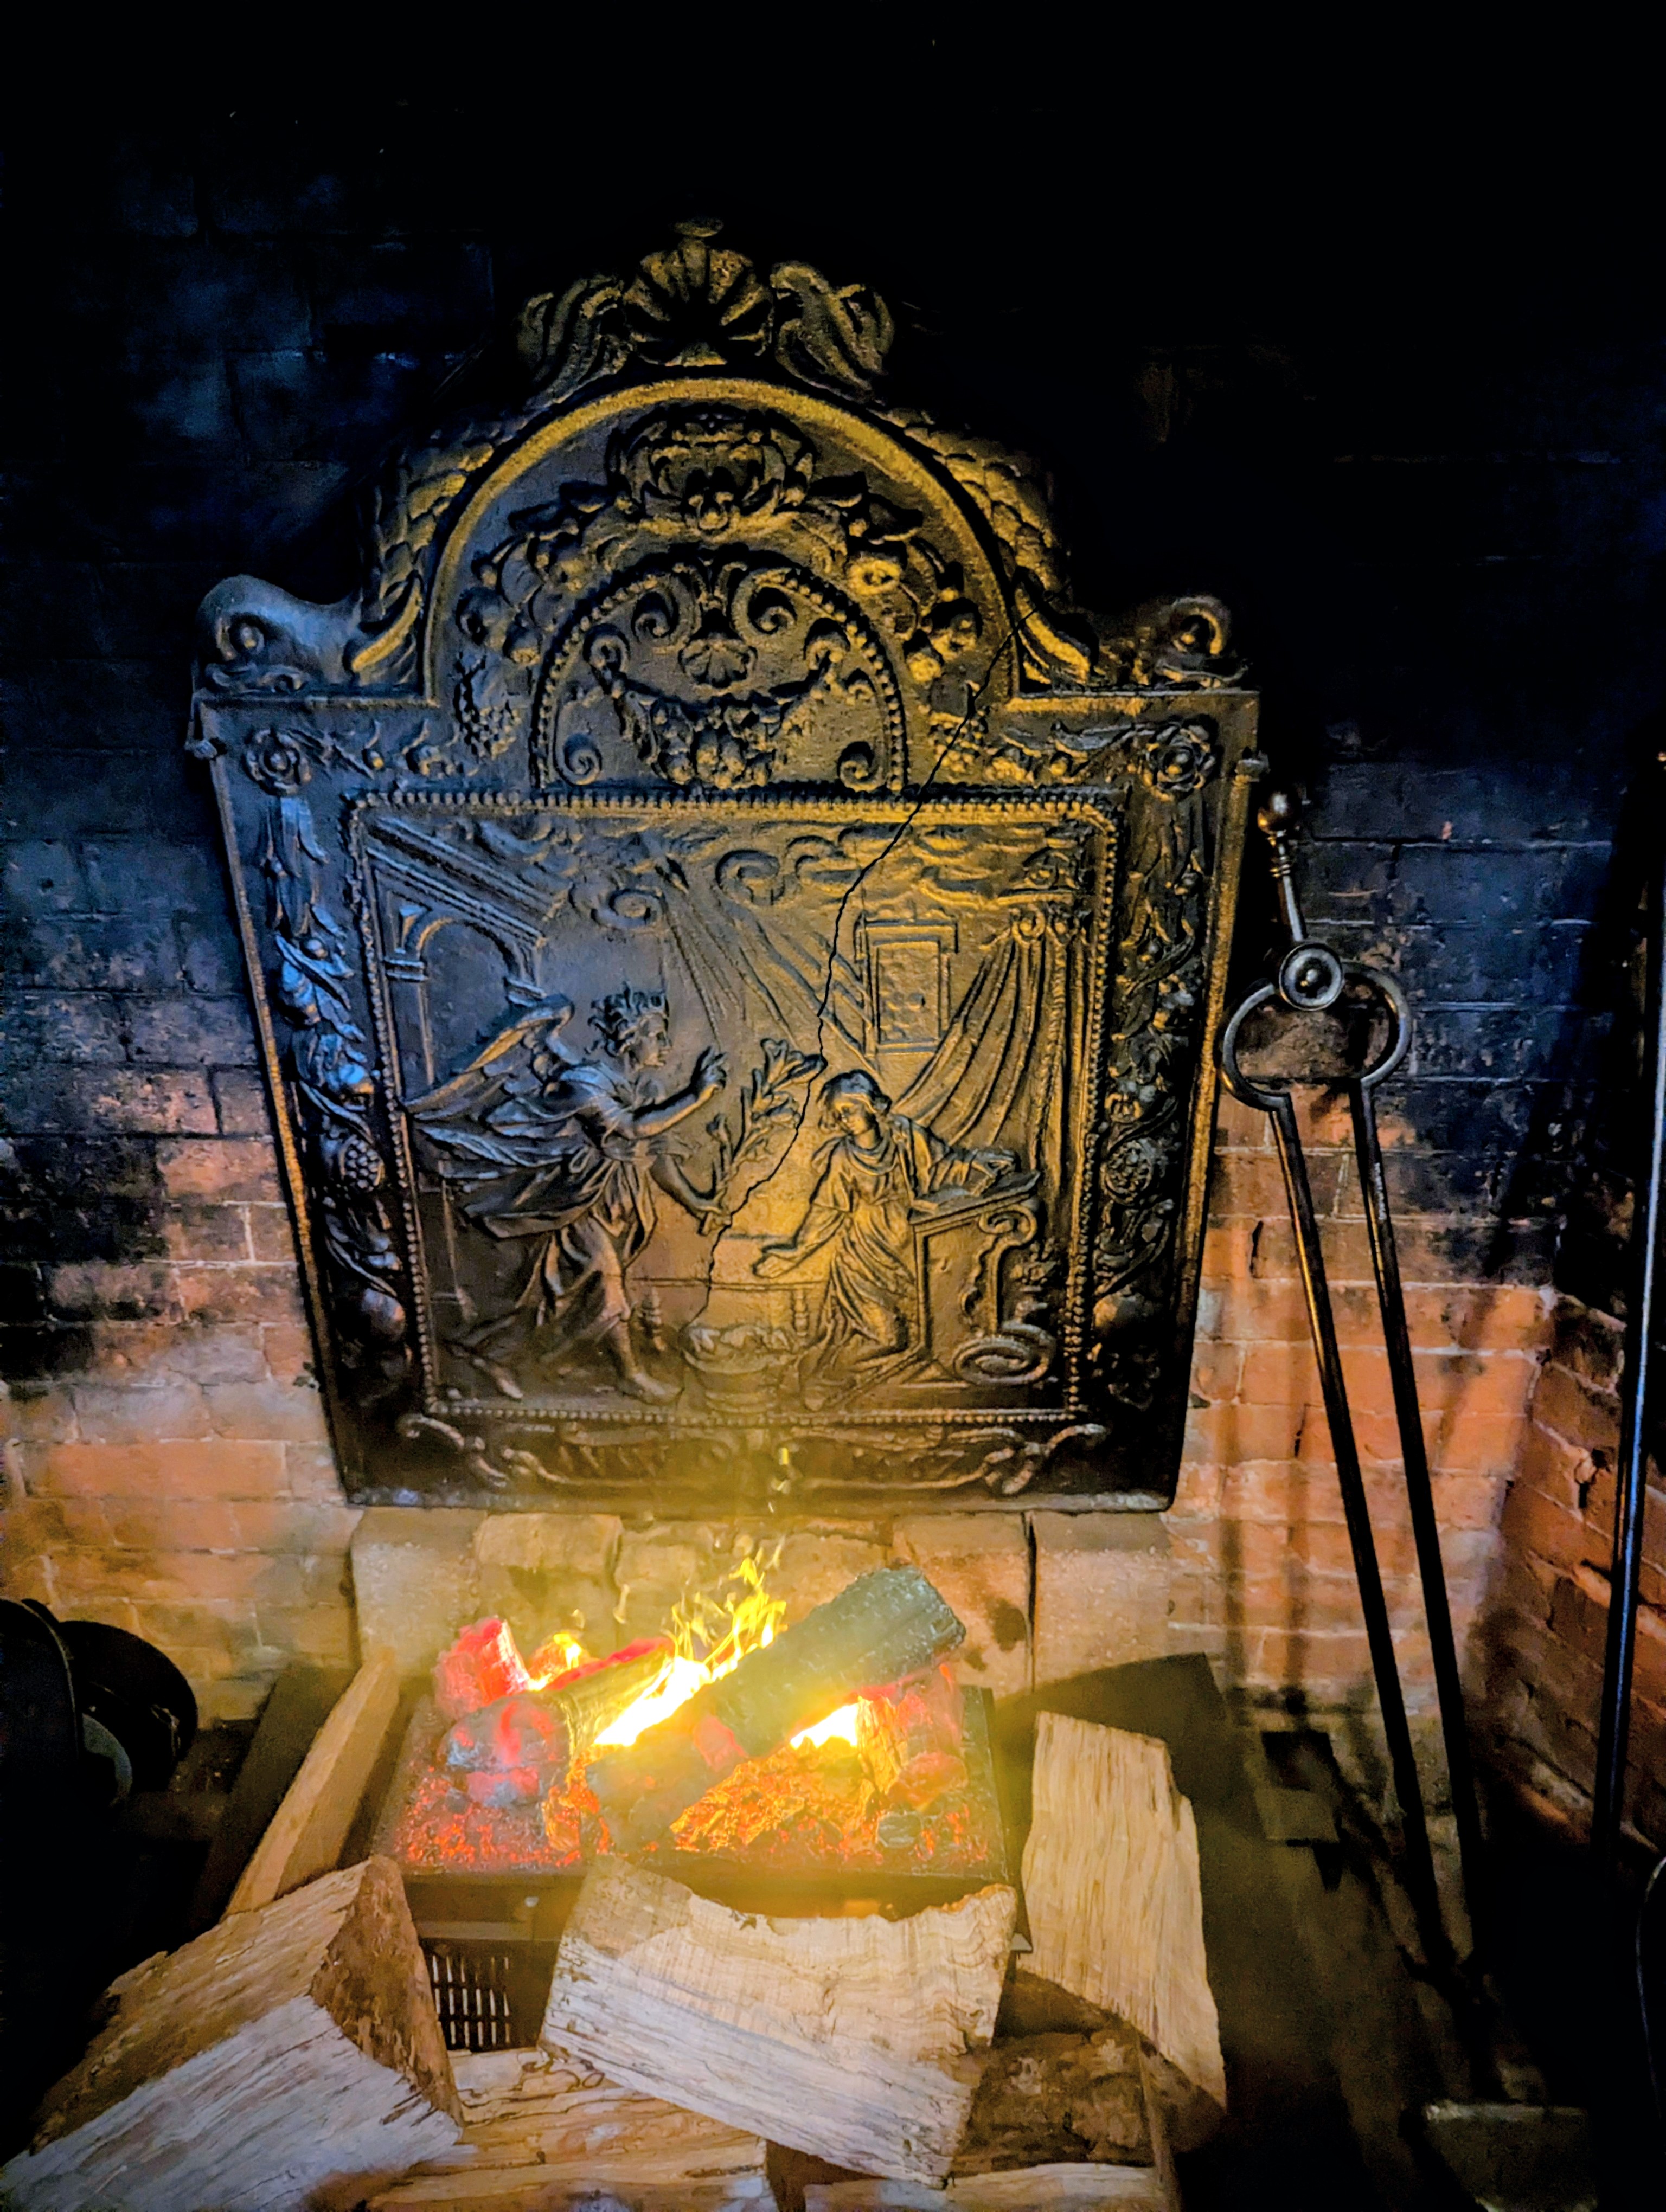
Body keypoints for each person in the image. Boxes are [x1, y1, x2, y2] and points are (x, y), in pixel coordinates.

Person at [410, 988, 726, 1402]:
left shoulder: (634, 1089)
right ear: (629, 1037)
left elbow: (652, 1153)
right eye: (657, 1035)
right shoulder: (585, 1083)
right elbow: (632, 1129)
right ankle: (629, 1375)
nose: (665, 1045)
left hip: (616, 1208)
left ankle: (493, 1354)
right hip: (577, 1206)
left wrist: (695, 1201)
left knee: (559, 1297)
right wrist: (696, 1095)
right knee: (607, 1287)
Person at [753, 1070, 1013, 1394]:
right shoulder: (844, 1158)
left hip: (909, 1253)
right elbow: (826, 1212)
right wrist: (795, 1252)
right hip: (863, 1261)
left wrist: (976, 1164)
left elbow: (944, 1164)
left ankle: (876, 1383)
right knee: (890, 1337)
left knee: (921, 1333)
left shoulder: (904, 1135)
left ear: (869, 1105)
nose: (843, 1120)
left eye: (848, 1110)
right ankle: (831, 1376)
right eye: (837, 1115)